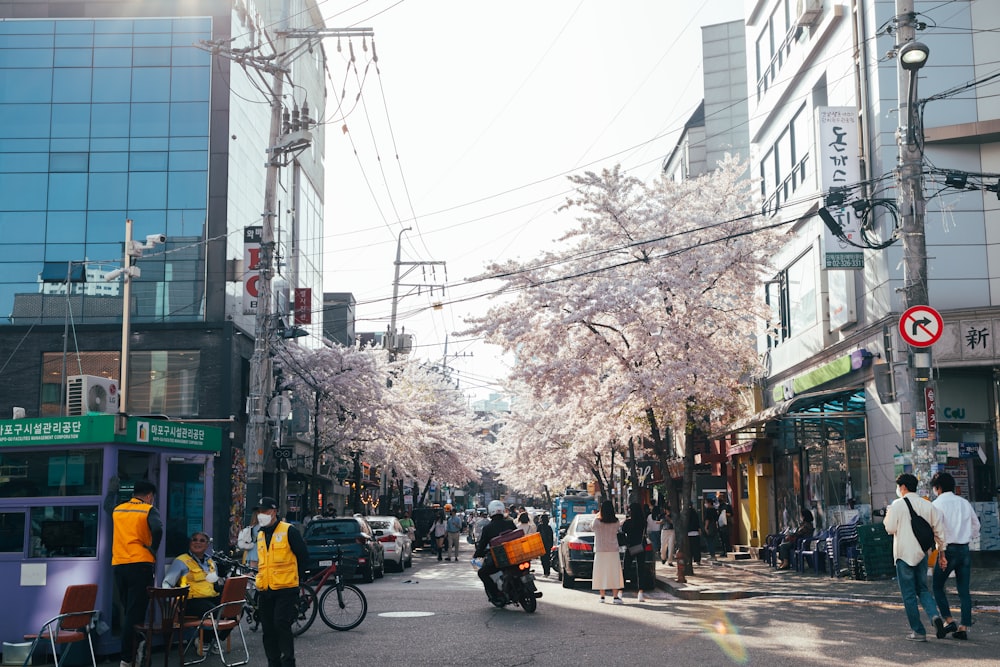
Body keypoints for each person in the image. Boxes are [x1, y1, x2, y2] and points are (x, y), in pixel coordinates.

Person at [884, 473, 946, 642]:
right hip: (921, 554)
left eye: (898, 487)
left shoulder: (897, 505)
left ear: (903, 487)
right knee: (923, 589)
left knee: (909, 594)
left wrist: (888, 514)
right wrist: (942, 553)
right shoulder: (928, 505)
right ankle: (934, 616)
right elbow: (939, 531)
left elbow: (889, 528)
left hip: (903, 555)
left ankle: (918, 631)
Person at [112, 480, 162, 667]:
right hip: (141, 564)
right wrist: (153, 549)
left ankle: (137, 643)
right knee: (135, 612)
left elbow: (107, 506)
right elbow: (158, 529)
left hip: (119, 564)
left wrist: (111, 492)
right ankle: (127, 657)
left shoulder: (118, 510)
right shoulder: (148, 509)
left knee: (129, 610)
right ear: (149, 496)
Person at [255, 496, 309, 667]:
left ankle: (288, 662)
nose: (261, 515)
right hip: (265, 588)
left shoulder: (289, 530)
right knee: (268, 629)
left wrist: (299, 579)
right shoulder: (260, 534)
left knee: (281, 624)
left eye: (265, 511)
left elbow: (303, 555)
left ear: (274, 512)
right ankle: (273, 663)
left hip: (286, 587)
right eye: (259, 511)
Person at [931, 471, 980, 641]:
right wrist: (966, 536)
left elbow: (936, 531)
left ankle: (949, 620)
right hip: (964, 549)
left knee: (937, 585)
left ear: (938, 488)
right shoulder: (964, 502)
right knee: (964, 590)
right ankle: (963, 627)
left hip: (947, 550)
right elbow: (976, 525)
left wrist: (940, 551)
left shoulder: (936, 504)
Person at [163, 531, 221, 617]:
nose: (198, 542)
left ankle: (214, 631)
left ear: (207, 545)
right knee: (212, 611)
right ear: (190, 543)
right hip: (191, 601)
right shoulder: (181, 561)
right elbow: (167, 583)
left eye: (202, 540)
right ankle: (209, 630)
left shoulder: (211, 562)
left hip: (211, 598)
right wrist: (172, 601)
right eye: (194, 540)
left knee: (234, 609)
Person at [474, 500, 517, 603]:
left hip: (499, 560)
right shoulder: (510, 523)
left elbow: (482, 545)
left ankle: (495, 593)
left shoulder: (488, 528)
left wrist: (477, 554)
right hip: (515, 556)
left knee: (482, 573)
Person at [591, 500, 624, 604]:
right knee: (614, 573)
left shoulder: (597, 522)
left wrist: (597, 514)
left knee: (601, 573)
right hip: (613, 550)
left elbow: (591, 527)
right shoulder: (616, 522)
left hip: (600, 550)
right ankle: (615, 597)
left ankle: (602, 596)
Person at [622, 502, 651, 602]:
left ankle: (621, 591)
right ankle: (641, 592)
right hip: (641, 546)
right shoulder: (643, 522)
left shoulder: (627, 522)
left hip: (630, 547)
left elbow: (623, 531)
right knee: (640, 569)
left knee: (626, 568)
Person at [716, 492, 734, 557]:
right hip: (720, 525)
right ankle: (724, 551)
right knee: (722, 539)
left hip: (726, 524)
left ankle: (728, 550)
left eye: (720, 498)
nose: (719, 499)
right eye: (718, 498)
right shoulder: (719, 506)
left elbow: (731, 514)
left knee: (726, 538)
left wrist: (725, 514)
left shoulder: (727, 506)